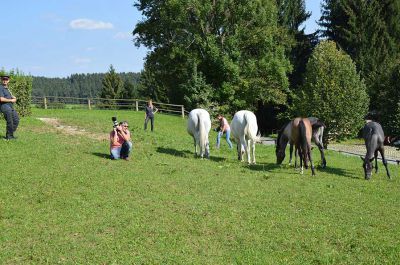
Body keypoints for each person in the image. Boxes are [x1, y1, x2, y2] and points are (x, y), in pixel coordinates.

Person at [0, 75, 19, 140]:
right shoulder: (0, 88)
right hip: (4, 106)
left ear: (8, 80)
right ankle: (9, 137)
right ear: (1, 80)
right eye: (3, 79)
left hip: (10, 106)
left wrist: (13, 98)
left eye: (6, 79)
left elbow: (8, 97)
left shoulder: (7, 88)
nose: (5, 80)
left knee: (16, 119)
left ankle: (10, 134)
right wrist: (11, 100)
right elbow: (1, 99)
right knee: (10, 121)